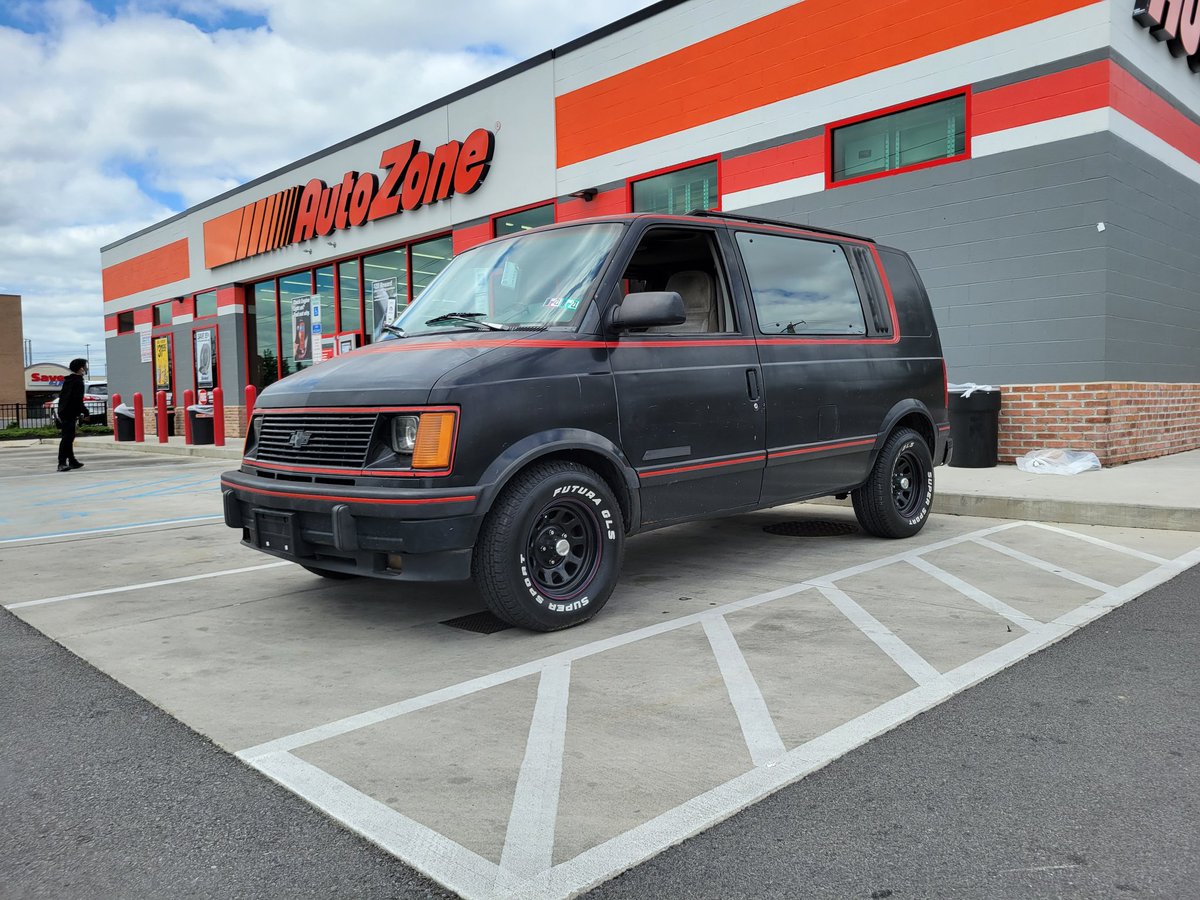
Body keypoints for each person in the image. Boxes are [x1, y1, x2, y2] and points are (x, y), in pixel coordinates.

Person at [57, 358, 88, 472]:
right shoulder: (77, 381)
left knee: (69, 438)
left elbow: (64, 397)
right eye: (85, 366)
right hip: (69, 412)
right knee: (67, 438)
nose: (86, 368)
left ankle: (72, 461)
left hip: (65, 412)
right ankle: (61, 463)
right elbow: (77, 400)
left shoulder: (69, 380)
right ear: (81, 368)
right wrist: (86, 412)